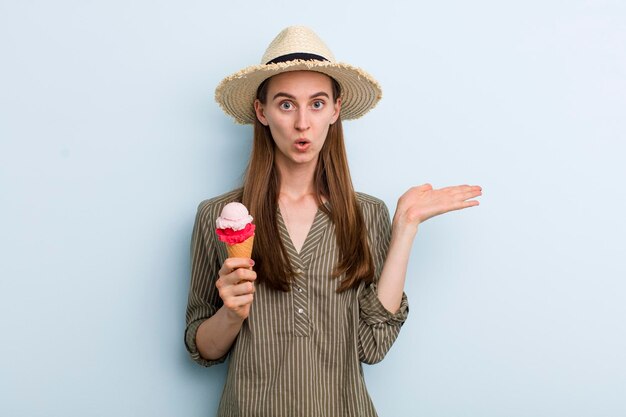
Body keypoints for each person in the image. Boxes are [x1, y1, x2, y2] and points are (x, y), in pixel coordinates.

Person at [185, 26, 482, 417]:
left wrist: (406, 226)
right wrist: (232, 312)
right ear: (262, 111)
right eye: (286, 104)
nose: (302, 123)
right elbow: (202, 347)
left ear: (336, 110)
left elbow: (371, 347)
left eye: (317, 103)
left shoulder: (367, 214)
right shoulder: (217, 217)